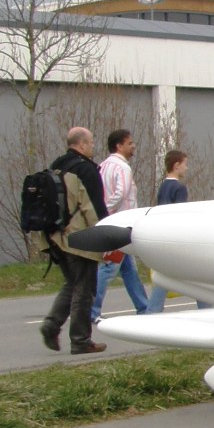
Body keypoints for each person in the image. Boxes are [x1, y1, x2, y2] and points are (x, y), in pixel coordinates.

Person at [39, 127, 109, 354]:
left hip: (54, 237)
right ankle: (80, 340)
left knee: (72, 283)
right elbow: (94, 207)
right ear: (81, 144)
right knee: (84, 289)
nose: (93, 147)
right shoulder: (85, 170)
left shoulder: (55, 166)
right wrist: (104, 237)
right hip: (79, 238)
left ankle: (51, 324)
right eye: (90, 143)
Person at [91, 129, 149, 322]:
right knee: (109, 267)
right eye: (130, 143)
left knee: (128, 268)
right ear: (119, 145)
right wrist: (108, 211)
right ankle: (92, 310)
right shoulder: (123, 168)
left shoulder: (103, 166)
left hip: (111, 223)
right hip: (121, 224)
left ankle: (144, 307)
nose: (133, 147)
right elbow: (122, 193)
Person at [145, 149, 190, 314]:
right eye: (185, 164)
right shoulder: (180, 188)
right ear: (176, 165)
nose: (186, 168)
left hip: (161, 234)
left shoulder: (163, 187)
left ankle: (153, 309)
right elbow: (178, 214)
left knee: (164, 275)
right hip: (174, 237)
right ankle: (152, 310)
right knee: (198, 274)